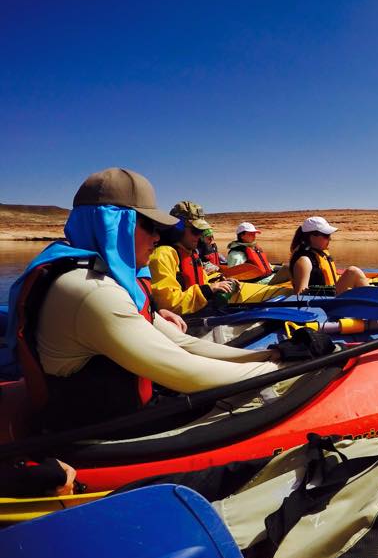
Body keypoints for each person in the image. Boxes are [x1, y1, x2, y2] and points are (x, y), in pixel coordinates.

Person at [6, 168, 279, 431]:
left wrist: (268, 355)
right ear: (115, 225)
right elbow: (186, 371)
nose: (158, 237)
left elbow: (182, 342)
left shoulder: (103, 278)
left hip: (123, 414)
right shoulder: (92, 291)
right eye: (149, 225)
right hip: (100, 436)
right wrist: (279, 367)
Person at [149, 201, 239, 315]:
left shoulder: (191, 254)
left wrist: (221, 283)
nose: (199, 236)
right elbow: (167, 304)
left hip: (202, 311)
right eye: (195, 231)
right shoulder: (163, 255)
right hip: (184, 322)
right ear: (178, 228)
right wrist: (209, 290)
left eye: (201, 232)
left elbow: (203, 282)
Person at [288, 216, 368, 295]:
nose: (330, 239)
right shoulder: (304, 260)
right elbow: (300, 294)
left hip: (330, 295)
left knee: (353, 273)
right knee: (353, 272)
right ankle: (375, 303)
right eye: (326, 235)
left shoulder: (319, 253)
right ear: (312, 237)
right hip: (324, 302)